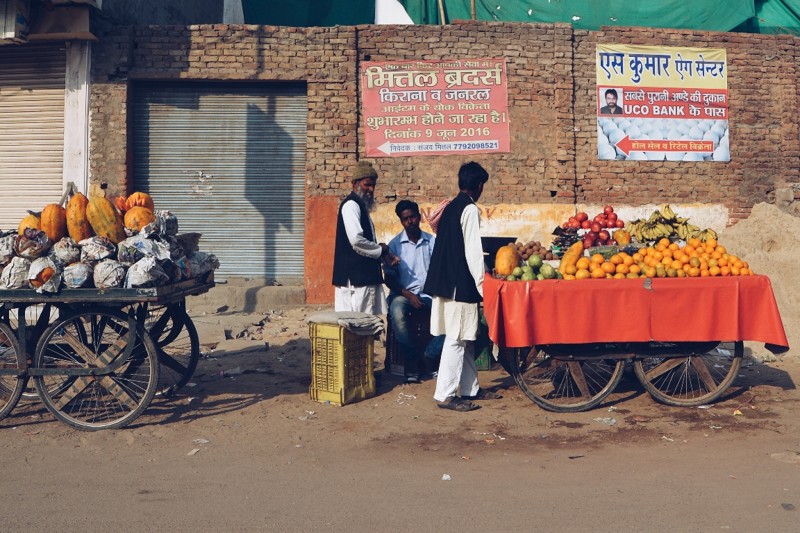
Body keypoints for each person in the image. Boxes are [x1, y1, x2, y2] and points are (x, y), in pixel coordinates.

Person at [423, 161, 502, 412]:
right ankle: (445, 394)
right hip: (459, 285)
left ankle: (471, 389)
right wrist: (484, 286)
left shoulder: (451, 207)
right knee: (456, 339)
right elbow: (473, 252)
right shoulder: (468, 209)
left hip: (446, 282)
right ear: (478, 186)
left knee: (467, 338)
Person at [332, 161, 399, 314]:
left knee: (367, 325)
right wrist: (380, 249)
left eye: (373, 185)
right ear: (355, 184)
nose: (371, 189)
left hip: (365, 279)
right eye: (367, 185)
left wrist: (384, 254)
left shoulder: (362, 207)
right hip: (356, 281)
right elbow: (356, 240)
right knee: (358, 325)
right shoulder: (351, 205)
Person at [384, 200, 437, 384]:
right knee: (397, 311)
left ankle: (428, 357)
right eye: (405, 219)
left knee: (451, 316)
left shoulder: (432, 242)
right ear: (401, 221)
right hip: (403, 295)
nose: (410, 222)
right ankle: (413, 363)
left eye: (413, 217)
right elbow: (389, 279)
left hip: (430, 295)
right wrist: (408, 295)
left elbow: (441, 272)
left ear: (419, 217)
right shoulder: (395, 245)